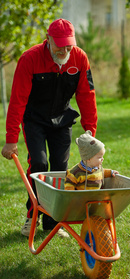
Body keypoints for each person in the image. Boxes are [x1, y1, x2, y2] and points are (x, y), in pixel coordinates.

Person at [1, 19, 97, 238]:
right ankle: (32, 214)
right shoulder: (30, 59)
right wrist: (10, 139)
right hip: (34, 119)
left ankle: (52, 221)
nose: (64, 50)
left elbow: (86, 94)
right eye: (59, 45)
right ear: (48, 40)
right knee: (39, 164)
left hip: (62, 119)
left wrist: (90, 129)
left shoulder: (80, 58)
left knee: (59, 169)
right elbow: (17, 101)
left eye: (68, 45)